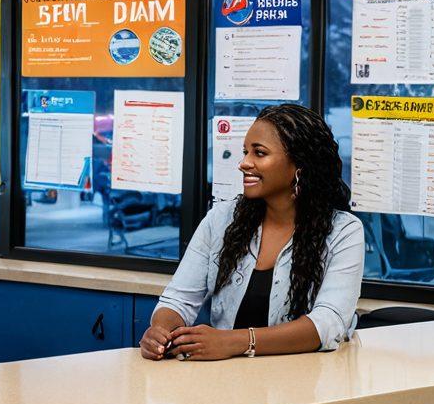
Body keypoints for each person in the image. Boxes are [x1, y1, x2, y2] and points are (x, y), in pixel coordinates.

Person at [141, 104, 364, 361]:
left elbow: (328, 323)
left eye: (259, 153)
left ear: (299, 166)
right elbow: (178, 298)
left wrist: (236, 342)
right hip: (228, 382)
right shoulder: (222, 219)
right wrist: (160, 330)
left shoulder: (343, 232)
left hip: (304, 384)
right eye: (246, 152)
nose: (244, 163)